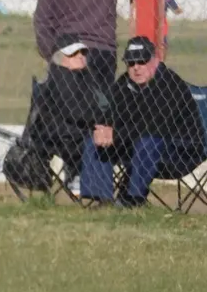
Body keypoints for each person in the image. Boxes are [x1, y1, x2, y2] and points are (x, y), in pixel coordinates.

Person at [81, 36, 206, 205]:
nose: (136, 68)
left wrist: (115, 134)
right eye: (131, 63)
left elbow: (154, 126)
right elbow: (110, 114)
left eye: (142, 61)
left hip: (180, 151)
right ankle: (102, 199)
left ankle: (133, 200)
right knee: (95, 137)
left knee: (148, 141)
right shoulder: (125, 83)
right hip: (136, 144)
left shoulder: (170, 85)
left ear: (155, 60)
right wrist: (103, 129)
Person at [31, 33, 107, 179]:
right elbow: (75, 112)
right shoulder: (61, 77)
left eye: (83, 52)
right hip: (64, 136)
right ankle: (83, 180)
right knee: (103, 142)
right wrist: (102, 122)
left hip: (80, 132)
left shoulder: (85, 77)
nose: (81, 56)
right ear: (60, 58)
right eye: (73, 54)